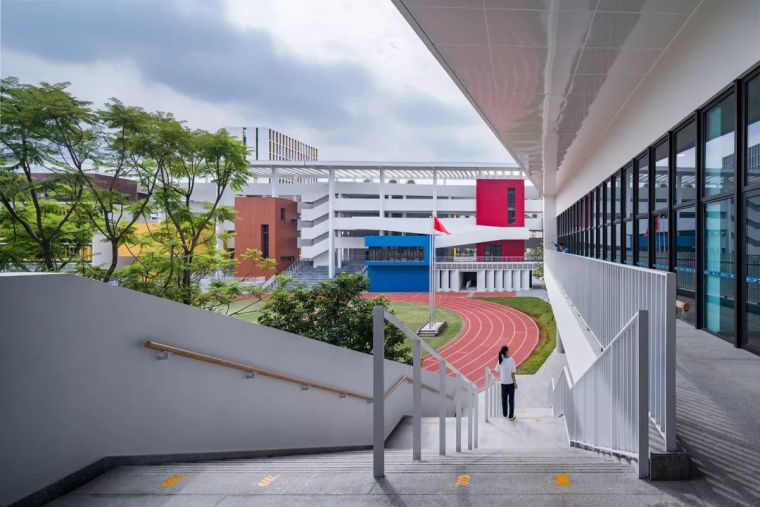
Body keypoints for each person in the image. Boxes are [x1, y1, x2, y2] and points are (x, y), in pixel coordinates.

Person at [496, 345, 517, 421]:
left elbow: (497, 370)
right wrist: (515, 383)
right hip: (510, 383)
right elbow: (513, 373)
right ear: (507, 352)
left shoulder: (500, 360)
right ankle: (511, 416)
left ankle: (505, 414)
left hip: (503, 384)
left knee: (504, 399)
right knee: (511, 400)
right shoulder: (511, 360)